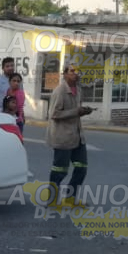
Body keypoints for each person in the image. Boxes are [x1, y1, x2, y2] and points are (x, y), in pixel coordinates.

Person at [47, 64, 94, 205]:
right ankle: (52, 199)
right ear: (65, 74)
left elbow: (76, 111)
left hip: (78, 136)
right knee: (60, 170)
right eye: (72, 71)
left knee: (81, 168)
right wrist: (76, 111)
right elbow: (53, 114)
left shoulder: (78, 90)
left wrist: (84, 111)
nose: (76, 74)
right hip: (62, 137)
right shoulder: (59, 91)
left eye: (77, 71)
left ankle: (70, 198)